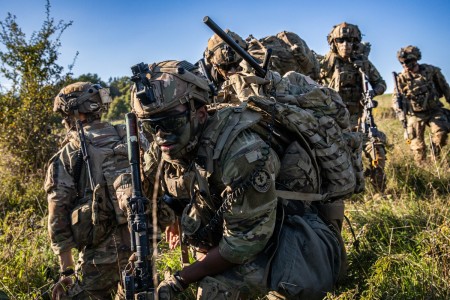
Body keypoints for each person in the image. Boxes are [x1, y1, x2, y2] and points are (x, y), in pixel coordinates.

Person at [128, 60, 342, 299]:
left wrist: (181, 279)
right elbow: (148, 190)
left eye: (169, 123)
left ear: (199, 114)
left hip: (291, 236)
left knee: (213, 293)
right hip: (246, 227)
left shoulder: (242, 153)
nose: (159, 137)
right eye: (150, 126)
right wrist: (170, 218)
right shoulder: (171, 141)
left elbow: (244, 242)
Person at [44, 82, 132, 299]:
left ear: (71, 112)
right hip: (140, 247)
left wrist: (67, 270)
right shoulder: (129, 138)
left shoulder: (67, 154)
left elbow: (58, 215)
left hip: (99, 258)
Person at [319, 22, 388, 192]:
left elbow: (381, 83)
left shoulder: (363, 62)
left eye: (350, 41)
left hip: (361, 118)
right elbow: (314, 79)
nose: (345, 45)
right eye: (341, 40)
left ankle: (379, 192)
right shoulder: (329, 60)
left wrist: (372, 93)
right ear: (334, 42)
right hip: (336, 120)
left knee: (377, 151)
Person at [393, 45, 450, 164]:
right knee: (417, 147)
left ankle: (435, 154)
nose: (405, 65)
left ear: (415, 60)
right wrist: (399, 111)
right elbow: (395, 97)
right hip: (415, 115)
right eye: (402, 63)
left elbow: (445, 88)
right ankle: (424, 169)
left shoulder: (431, 71)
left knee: (441, 133)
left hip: (434, 110)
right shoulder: (401, 78)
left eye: (407, 62)